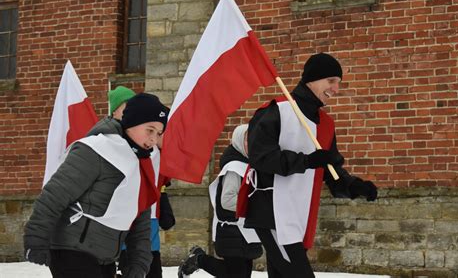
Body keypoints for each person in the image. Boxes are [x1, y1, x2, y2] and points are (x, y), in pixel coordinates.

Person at [237, 53, 378, 278]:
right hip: (272, 212)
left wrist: (354, 187)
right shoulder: (276, 111)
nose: (336, 89)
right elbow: (260, 157)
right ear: (312, 79)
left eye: (339, 83)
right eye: (331, 81)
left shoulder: (326, 124)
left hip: (300, 215)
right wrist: (307, 161)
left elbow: (332, 171)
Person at [24, 93, 169, 278]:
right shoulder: (96, 149)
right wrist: (36, 237)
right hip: (71, 250)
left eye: (158, 133)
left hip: (106, 257)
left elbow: (140, 219)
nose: (153, 140)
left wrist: (138, 264)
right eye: (150, 130)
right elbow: (55, 195)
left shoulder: (141, 165)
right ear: (132, 121)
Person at [178, 124, 262, 278]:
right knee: (235, 274)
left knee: (240, 274)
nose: (252, 143)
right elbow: (227, 200)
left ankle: (199, 258)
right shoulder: (234, 168)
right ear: (237, 141)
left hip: (246, 231)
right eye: (247, 139)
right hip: (232, 230)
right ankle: (199, 259)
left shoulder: (250, 166)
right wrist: (257, 205)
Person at [108, 87, 175, 278]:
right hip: (122, 222)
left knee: (152, 266)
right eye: (125, 107)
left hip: (149, 218)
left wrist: (163, 197)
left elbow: (159, 176)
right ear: (115, 112)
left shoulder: (149, 141)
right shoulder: (112, 142)